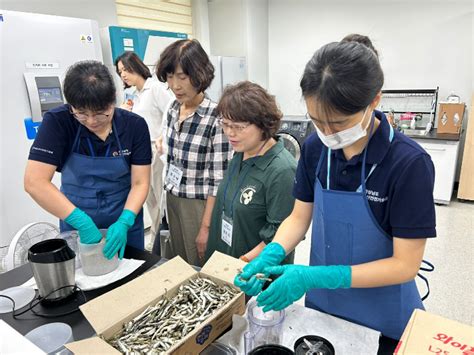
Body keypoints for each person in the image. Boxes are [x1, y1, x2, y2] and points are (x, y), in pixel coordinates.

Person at [234, 40, 436, 354]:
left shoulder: (408, 163)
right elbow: (299, 217)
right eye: (317, 120)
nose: (328, 132)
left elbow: (405, 264)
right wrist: (271, 253)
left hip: (385, 318)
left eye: (340, 122)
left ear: (374, 101)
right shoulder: (315, 149)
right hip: (324, 307)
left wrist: (321, 275)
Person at [24, 60, 151, 259]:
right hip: (76, 221)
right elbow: (34, 182)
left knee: (131, 277)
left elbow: (140, 182)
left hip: (124, 218)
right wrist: (81, 221)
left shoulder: (134, 126)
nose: (91, 121)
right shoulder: (58, 122)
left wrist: (125, 220)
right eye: (82, 113)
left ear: (113, 101)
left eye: (101, 113)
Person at [155, 39, 232, 266]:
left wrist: (206, 227)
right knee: (178, 263)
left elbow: (218, 180)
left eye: (182, 77)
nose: (175, 85)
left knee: (199, 264)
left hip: (198, 204)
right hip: (172, 197)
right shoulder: (172, 108)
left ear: (199, 74)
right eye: (170, 77)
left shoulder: (215, 116)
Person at [204, 81, 297, 264]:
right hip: (226, 260)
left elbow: (280, 236)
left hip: (254, 271)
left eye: (238, 127)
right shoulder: (240, 152)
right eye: (225, 124)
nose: (230, 133)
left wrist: (243, 262)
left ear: (263, 124)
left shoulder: (282, 170)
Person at [115, 51, 173, 245]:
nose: (123, 74)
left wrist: (162, 138)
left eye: (125, 69)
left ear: (136, 66)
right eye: (120, 71)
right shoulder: (135, 95)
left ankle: (161, 239)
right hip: (141, 151)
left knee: (159, 196)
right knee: (148, 198)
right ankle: (156, 238)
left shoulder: (155, 88)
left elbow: (172, 114)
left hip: (157, 149)